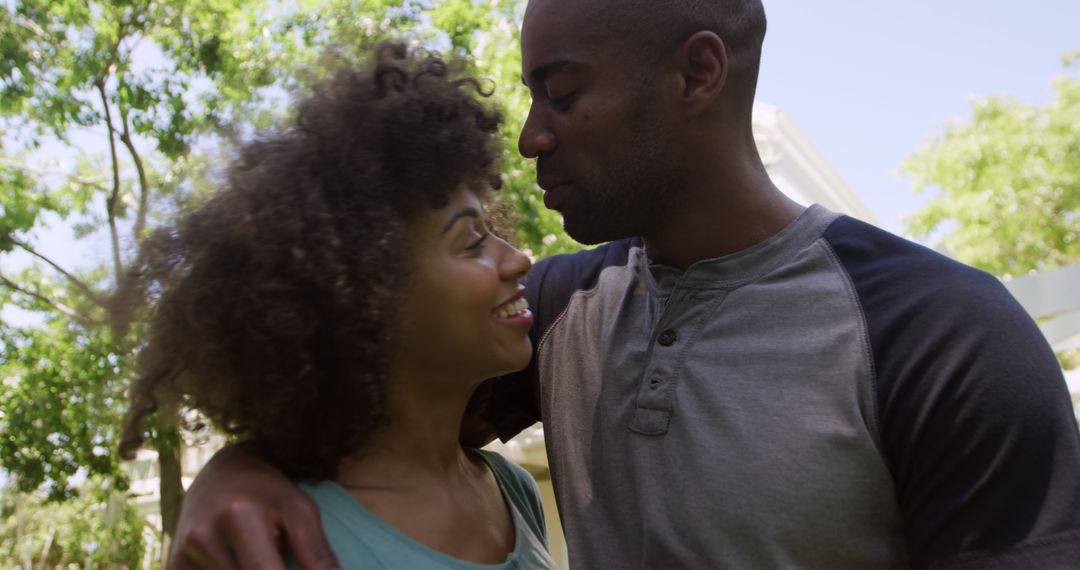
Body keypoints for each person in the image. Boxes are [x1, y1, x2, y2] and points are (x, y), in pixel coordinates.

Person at [168, 1, 1080, 569]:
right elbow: (367, 419)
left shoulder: (944, 335)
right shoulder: (556, 312)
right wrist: (234, 473)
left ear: (697, 74)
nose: (531, 136)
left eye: (563, 95)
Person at [117, 43, 557, 570]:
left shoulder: (512, 490)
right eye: (471, 241)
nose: (520, 258)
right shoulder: (275, 534)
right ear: (369, 300)